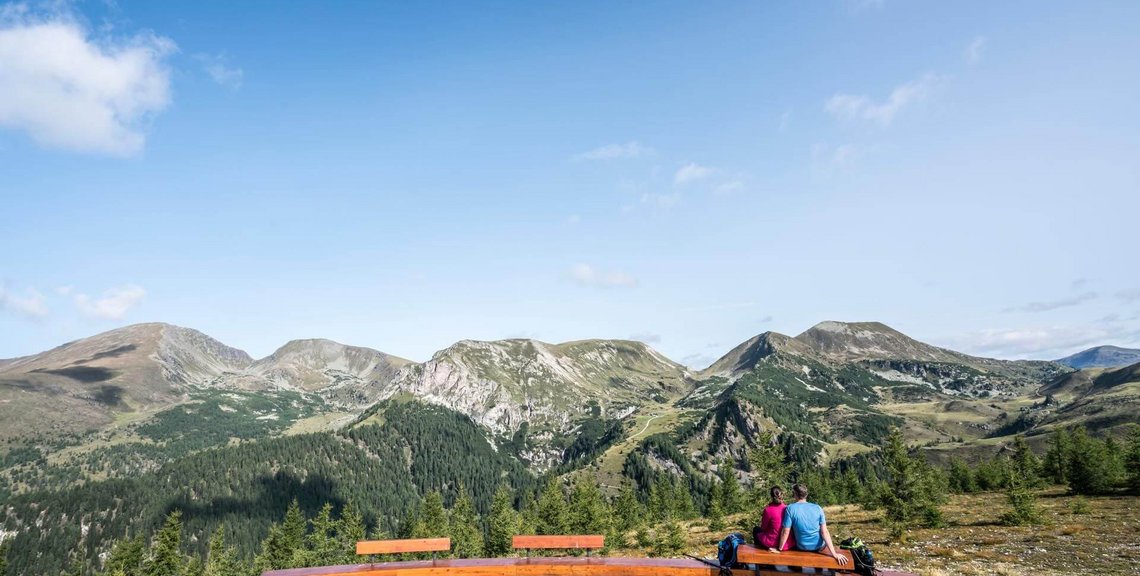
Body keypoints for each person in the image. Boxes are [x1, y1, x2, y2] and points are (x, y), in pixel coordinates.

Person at [773, 484, 848, 567]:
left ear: (795, 494)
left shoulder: (790, 508)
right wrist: (834, 554)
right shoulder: (818, 508)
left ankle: (797, 570)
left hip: (801, 547)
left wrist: (779, 549)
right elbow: (824, 532)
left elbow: (785, 531)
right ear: (806, 494)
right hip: (819, 547)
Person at [756, 486, 792, 551]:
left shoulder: (768, 510)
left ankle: (759, 556)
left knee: (756, 530)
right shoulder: (787, 508)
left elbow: (763, 528)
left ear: (772, 497)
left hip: (772, 543)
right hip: (786, 543)